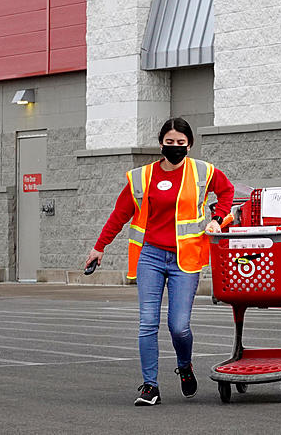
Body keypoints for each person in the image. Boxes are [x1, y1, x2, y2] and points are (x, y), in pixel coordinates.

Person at [84, 117, 235, 406]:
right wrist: (99, 247)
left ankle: (185, 365)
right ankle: (149, 386)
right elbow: (120, 213)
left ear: (189, 144)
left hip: (186, 259)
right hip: (150, 256)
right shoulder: (142, 177)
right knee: (147, 323)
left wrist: (218, 219)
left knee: (179, 326)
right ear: (161, 143)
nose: (175, 147)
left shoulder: (202, 171)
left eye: (181, 143)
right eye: (170, 142)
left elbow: (227, 191)